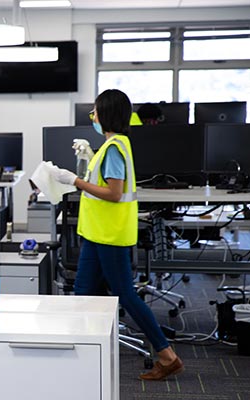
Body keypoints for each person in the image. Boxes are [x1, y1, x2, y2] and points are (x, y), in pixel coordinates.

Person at [49, 89, 184, 381]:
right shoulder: (112, 146)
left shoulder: (113, 149)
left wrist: (74, 181)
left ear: (106, 114)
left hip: (109, 235)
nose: (93, 117)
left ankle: (166, 354)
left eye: (95, 112)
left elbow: (113, 193)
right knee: (83, 294)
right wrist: (87, 159)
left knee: (125, 294)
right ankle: (84, 357)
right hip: (98, 234)